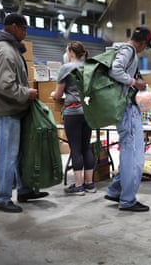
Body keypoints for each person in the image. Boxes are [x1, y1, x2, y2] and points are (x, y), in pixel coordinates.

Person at [0, 13, 49, 213]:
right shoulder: (5, 51)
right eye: (23, 28)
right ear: (13, 27)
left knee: (18, 155)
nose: (25, 32)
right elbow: (3, 85)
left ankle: (24, 190)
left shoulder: (10, 48)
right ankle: (2, 198)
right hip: (6, 112)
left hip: (13, 110)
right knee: (7, 156)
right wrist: (26, 93)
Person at [103, 26, 151, 212]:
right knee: (133, 156)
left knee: (128, 152)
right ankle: (128, 199)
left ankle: (116, 190)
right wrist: (134, 82)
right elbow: (115, 70)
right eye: (145, 46)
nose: (143, 49)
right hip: (127, 109)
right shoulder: (128, 50)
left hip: (125, 108)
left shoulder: (122, 50)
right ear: (141, 43)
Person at [51, 41, 96, 195]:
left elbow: (58, 94)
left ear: (71, 52)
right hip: (88, 111)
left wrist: (52, 95)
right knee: (86, 147)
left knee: (75, 149)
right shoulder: (89, 67)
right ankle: (90, 184)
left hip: (72, 112)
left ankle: (78, 186)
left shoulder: (66, 68)